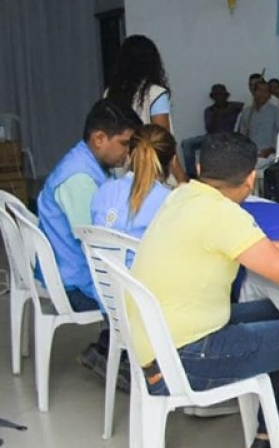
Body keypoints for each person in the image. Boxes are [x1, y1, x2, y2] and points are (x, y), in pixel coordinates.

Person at [131, 132, 279, 448]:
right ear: (251, 177)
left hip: (162, 343)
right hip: (185, 357)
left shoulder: (184, 195)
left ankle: (269, 434)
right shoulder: (223, 214)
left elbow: (252, 249)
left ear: (200, 167)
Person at [37, 99, 140, 376]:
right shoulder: (78, 178)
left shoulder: (88, 163)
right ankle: (130, 361)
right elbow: (98, 242)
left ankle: (108, 348)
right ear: (99, 139)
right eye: (125, 143)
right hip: (74, 283)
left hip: (74, 270)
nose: (128, 152)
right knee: (146, 285)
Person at [105, 35, 188, 182]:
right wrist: (182, 179)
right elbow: (161, 141)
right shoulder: (155, 93)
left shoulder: (109, 94)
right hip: (153, 173)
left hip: (120, 172)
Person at [92, 124, 176, 241]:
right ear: (173, 161)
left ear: (129, 156)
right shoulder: (170, 201)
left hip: (100, 259)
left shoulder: (104, 190)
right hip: (145, 259)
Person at [181, 83, 244, 179]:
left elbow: (247, 109)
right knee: (187, 143)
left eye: (221, 94)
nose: (219, 97)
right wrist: (217, 114)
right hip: (212, 137)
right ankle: (192, 175)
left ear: (226, 96)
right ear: (213, 97)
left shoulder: (236, 107)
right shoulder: (210, 110)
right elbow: (209, 128)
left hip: (230, 137)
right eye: (216, 95)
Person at [238, 80, 279, 167]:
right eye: (259, 90)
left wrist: (272, 149)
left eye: (265, 91)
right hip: (251, 153)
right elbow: (242, 136)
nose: (261, 94)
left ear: (269, 95)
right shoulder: (246, 112)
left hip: (270, 153)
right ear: (253, 93)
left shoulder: (275, 111)